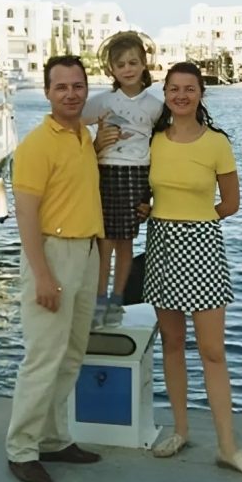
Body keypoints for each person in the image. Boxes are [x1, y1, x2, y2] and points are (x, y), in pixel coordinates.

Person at [141, 62, 242, 476]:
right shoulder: (153, 141)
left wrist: (196, 220)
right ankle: (180, 431)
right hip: (161, 243)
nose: (181, 95)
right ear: (165, 93)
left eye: (189, 88)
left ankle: (228, 447)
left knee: (212, 351)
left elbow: (231, 203)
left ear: (200, 94)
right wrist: (153, 212)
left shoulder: (217, 143)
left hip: (203, 245)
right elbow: (143, 191)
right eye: (174, 89)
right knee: (172, 345)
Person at [6, 55, 104, 482]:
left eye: (77, 86)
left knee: (71, 355)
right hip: (52, 254)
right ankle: (21, 449)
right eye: (61, 87)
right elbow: (25, 214)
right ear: (47, 92)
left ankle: (52, 438)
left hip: (86, 251)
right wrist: (42, 275)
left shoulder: (84, 136)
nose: (71, 94)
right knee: (44, 357)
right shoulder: (35, 146)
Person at [82, 31, 163, 329]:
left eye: (133, 62)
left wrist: (151, 194)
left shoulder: (155, 106)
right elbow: (72, 126)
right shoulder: (101, 102)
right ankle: (99, 300)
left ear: (144, 64)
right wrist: (95, 143)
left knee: (126, 243)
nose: (127, 69)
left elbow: (160, 147)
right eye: (120, 64)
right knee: (104, 243)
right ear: (111, 70)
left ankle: (117, 300)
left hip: (137, 174)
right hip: (106, 173)